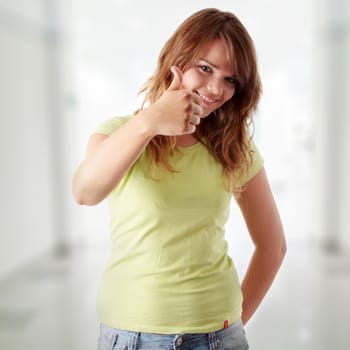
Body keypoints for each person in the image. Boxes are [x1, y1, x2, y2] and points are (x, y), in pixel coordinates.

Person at [72, 8, 286, 350]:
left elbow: (273, 246)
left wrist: (231, 326)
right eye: (206, 68)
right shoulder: (117, 133)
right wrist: (150, 123)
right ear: (177, 58)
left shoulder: (234, 148)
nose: (217, 88)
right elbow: (85, 192)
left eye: (231, 79)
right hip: (132, 338)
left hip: (219, 334)